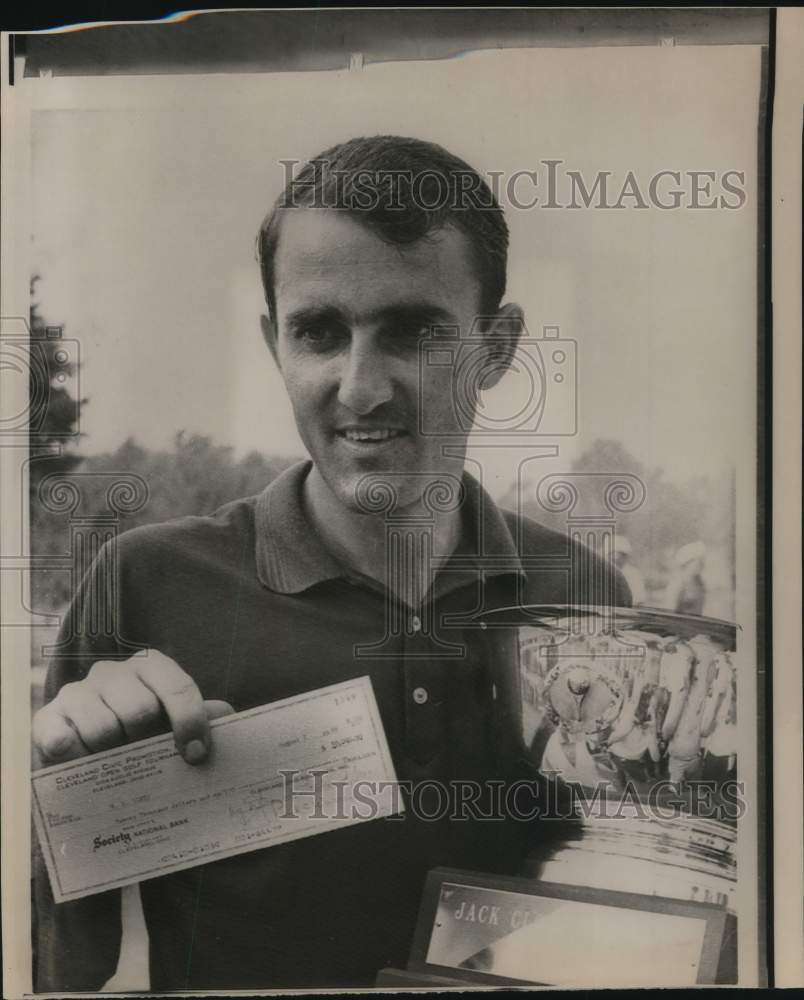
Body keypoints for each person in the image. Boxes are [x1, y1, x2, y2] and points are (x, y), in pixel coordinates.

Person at [32, 135, 631, 991]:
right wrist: (48, 815)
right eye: (319, 332)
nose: (358, 387)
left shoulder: (585, 596)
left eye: (413, 330)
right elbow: (63, 973)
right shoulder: (146, 586)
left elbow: (626, 922)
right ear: (277, 342)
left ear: (495, 348)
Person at [666, 540, 707, 616]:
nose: (702, 564)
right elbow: (669, 611)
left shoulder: (700, 583)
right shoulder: (678, 584)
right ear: (688, 562)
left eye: (702, 561)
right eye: (698, 561)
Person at [611, 535, 646, 606]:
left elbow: (639, 600)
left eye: (622, 555)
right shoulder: (600, 571)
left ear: (626, 556)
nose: (616, 558)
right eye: (611, 554)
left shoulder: (634, 574)